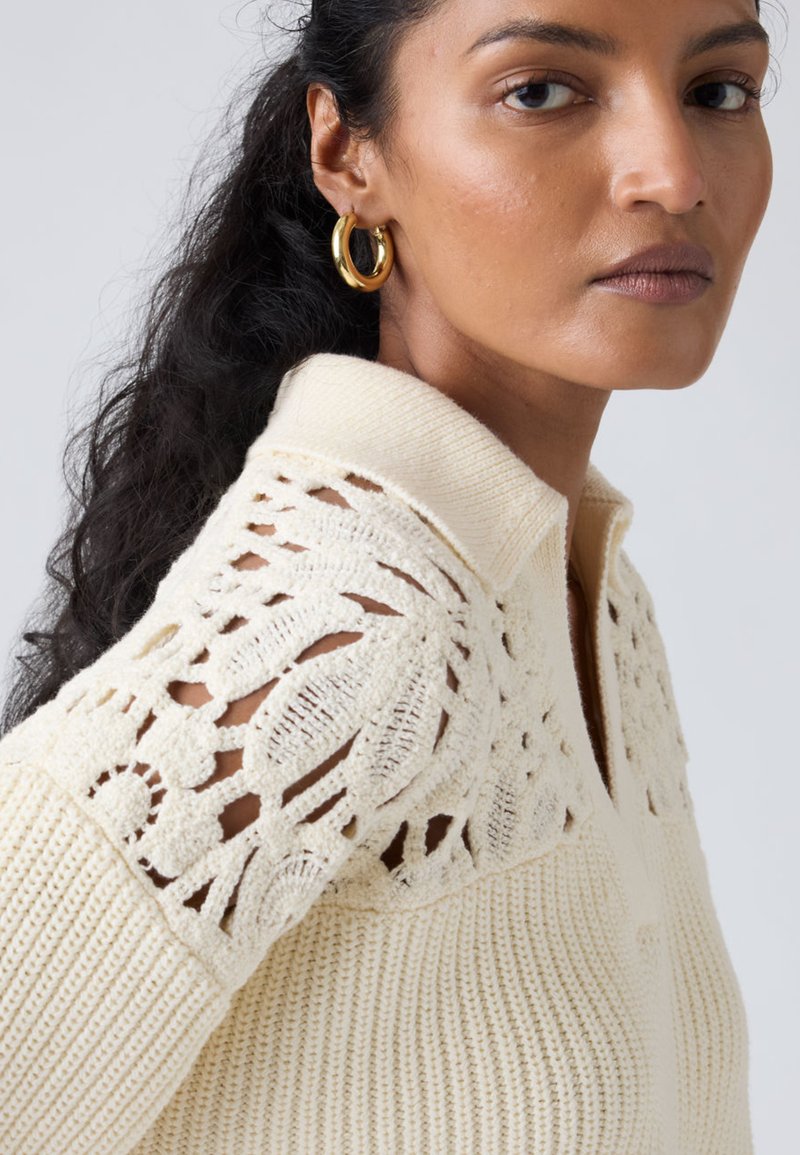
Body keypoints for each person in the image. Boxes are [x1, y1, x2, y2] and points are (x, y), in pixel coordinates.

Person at [0, 0, 774, 1151]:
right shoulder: (343, 618)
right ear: (347, 155)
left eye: (717, 92)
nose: (671, 174)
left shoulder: (585, 592)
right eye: (539, 91)